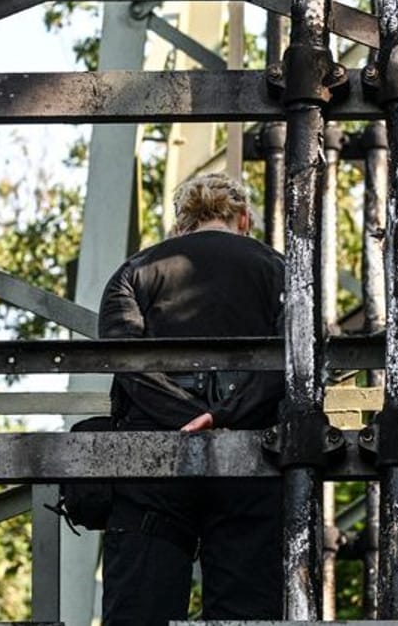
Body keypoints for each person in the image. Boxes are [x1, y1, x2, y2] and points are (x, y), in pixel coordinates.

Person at [97, 173, 285, 625]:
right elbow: (295, 359)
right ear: (243, 219)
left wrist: (188, 416)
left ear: (180, 226)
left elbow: (128, 364)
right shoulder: (282, 270)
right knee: (246, 614)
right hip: (252, 457)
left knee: (140, 610)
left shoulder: (134, 272)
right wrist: (223, 417)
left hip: (154, 462)